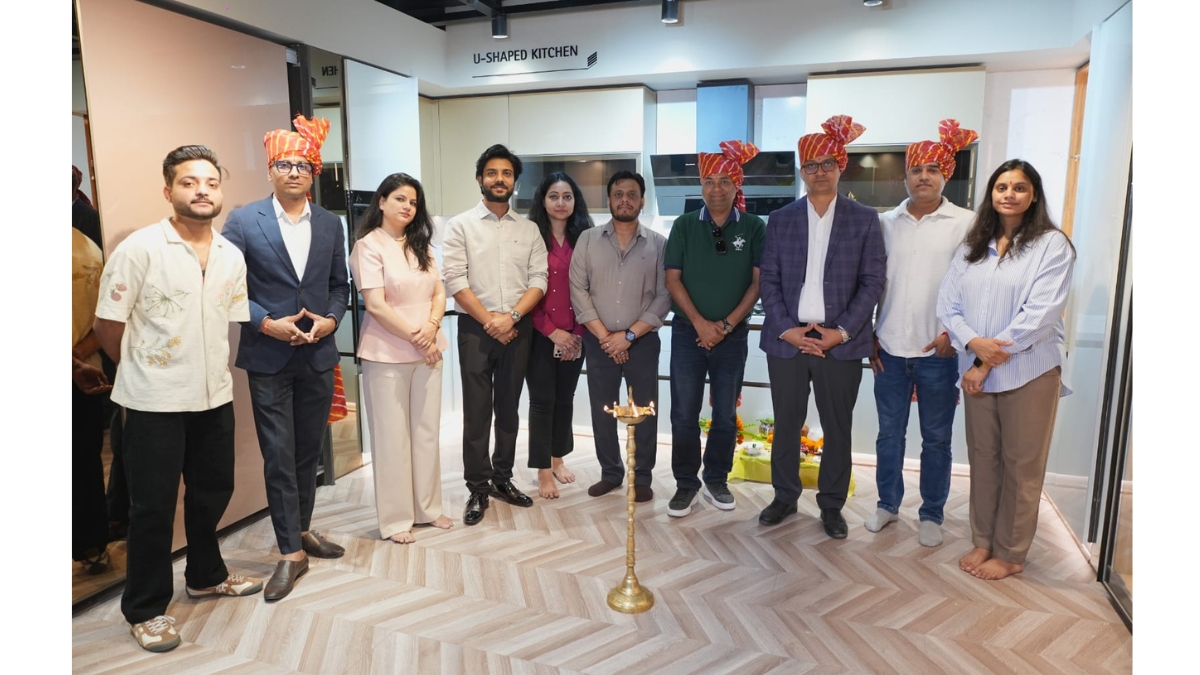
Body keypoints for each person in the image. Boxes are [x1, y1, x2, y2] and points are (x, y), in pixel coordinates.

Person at [93, 145, 262, 653]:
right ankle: (145, 609)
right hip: (153, 401)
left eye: (210, 182)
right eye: (189, 182)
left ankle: (206, 575)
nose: (202, 191)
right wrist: (142, 370)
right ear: (168, 191)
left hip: (214, 395)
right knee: (153, 506)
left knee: (213, 491)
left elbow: (226, 321)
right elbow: (107, 326)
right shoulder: (141, 248)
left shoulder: (231, 254)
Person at [221, 115, 351, 601]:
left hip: (316, 353)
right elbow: (229, 286)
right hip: (268, 355)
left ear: (313, 171)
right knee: (278, 453)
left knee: (307, 451)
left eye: (302, 165)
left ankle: (302, 530)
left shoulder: (330, 223)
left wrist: (331, 321)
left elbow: (339, 286)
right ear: (270, 170)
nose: (293, 172)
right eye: (284, 164)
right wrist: (264, 322)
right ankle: (289, 553)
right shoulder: (243, 220)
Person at [937, 159, 1075, 581]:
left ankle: (1012, 552)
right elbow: (947, 304)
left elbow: (1039, 315)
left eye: (1019, 187)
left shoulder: (1052, 245)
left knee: (1021, 465)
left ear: (1033, 195)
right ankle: (983, 540)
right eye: (1001, 187)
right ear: (991, 194)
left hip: (1029, 372)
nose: (1009, 194)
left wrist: (982, 360)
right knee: (984, 459)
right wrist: (972, 343)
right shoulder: (973, 245)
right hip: (977, 370)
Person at [757, 115, 886, 538]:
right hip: (788, 340)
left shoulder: (865, 218)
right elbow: (769, 280)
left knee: (837, 426)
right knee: (786, 423)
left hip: (840, 343)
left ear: (840, 166)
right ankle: (784, 496)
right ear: (802, 171)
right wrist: (786, 329)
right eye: (811, 165)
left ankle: (831, 505)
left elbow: (872, 282)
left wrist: (841, 332)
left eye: (827, 163)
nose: (819, 172)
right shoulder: (781, 219)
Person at [866, 119, 979, 547]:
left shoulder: (966, 223)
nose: (924, 176)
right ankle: (887, 504)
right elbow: (871, 283)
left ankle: (931, 513)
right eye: (917, 169)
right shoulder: (885, 223)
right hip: (889, 349)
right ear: (905, 177)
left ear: (945, 175)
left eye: (933, 169)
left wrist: (955, 334)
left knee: (936, 439)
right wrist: (869, 334)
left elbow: (974, 286)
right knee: (888, 435)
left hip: (939, 352)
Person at [443, 144, 548, 525]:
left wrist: (512, 317)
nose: (499, 179)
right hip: (476, 328)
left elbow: (539, 279)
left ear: (515, 181)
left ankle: (502, 478)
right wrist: (491, 321)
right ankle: (478, 486)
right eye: (492, 173)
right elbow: (455, 279)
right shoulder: (460, 226)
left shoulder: (529, 229)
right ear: (479, 179)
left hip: (518, 328)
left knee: (508, 408)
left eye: (506, 173)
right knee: (476, 411)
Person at [664, 140, 765, 517]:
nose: (716, 188)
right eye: (709, 181)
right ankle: (686, 484)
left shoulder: (753, 227)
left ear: (737, 186)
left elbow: (758, 283)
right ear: (701, 186)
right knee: (683, 413)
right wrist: (701, 324)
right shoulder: (684, 225)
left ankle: (716, 479)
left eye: (725, 181)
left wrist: (724, 325)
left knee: (724, 413)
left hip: (733, 337)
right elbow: (672, 279)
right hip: (686, 334)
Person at [349, 173, 452, 544]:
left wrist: (431, 327)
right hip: (386, 353)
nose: (408, 206)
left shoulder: (422, 245)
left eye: (413, 202)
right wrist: (417, 337)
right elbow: (376, 305)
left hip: (429, 348)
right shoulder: (367, 246)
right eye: (400, 199)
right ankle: (395, 521)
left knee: (426, 433)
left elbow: (439, 293)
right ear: (381, 201)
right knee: (392, 438)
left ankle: (428, 508)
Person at [569, 171, 671, 502]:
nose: (625, 200)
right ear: (609, 199)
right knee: (603, 410)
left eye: (631, 194)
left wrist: (627, 336)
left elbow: (664, 296)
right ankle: (611, 472)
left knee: (644, 411)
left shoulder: (658, 244)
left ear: (642, 201)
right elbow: (578, 290)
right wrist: (606, 338)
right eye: (618, 194)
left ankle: (642, 476)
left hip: (642, 342)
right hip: (598, 342)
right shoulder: (587, 240)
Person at [525, 172, 593, 499]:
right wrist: (553, 332)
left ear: (575, 201)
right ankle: (542, 470)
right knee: (542, 402)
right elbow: (524, 290)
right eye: (554, 196)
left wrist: (575, 334)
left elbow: (590, 289)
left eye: (567, 196)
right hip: (539, 334)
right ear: (543, 201)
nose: (561, 202)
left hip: (577, 334)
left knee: (565, 399)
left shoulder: (586, 239)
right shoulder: (530, 238)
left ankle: (558, 459)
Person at [73, 223, 111, 574]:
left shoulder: (86, 247)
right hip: (80, 364)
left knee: (83, 458)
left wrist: (78, 356)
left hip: (82, 370)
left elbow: (109, 314)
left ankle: (91, 543)